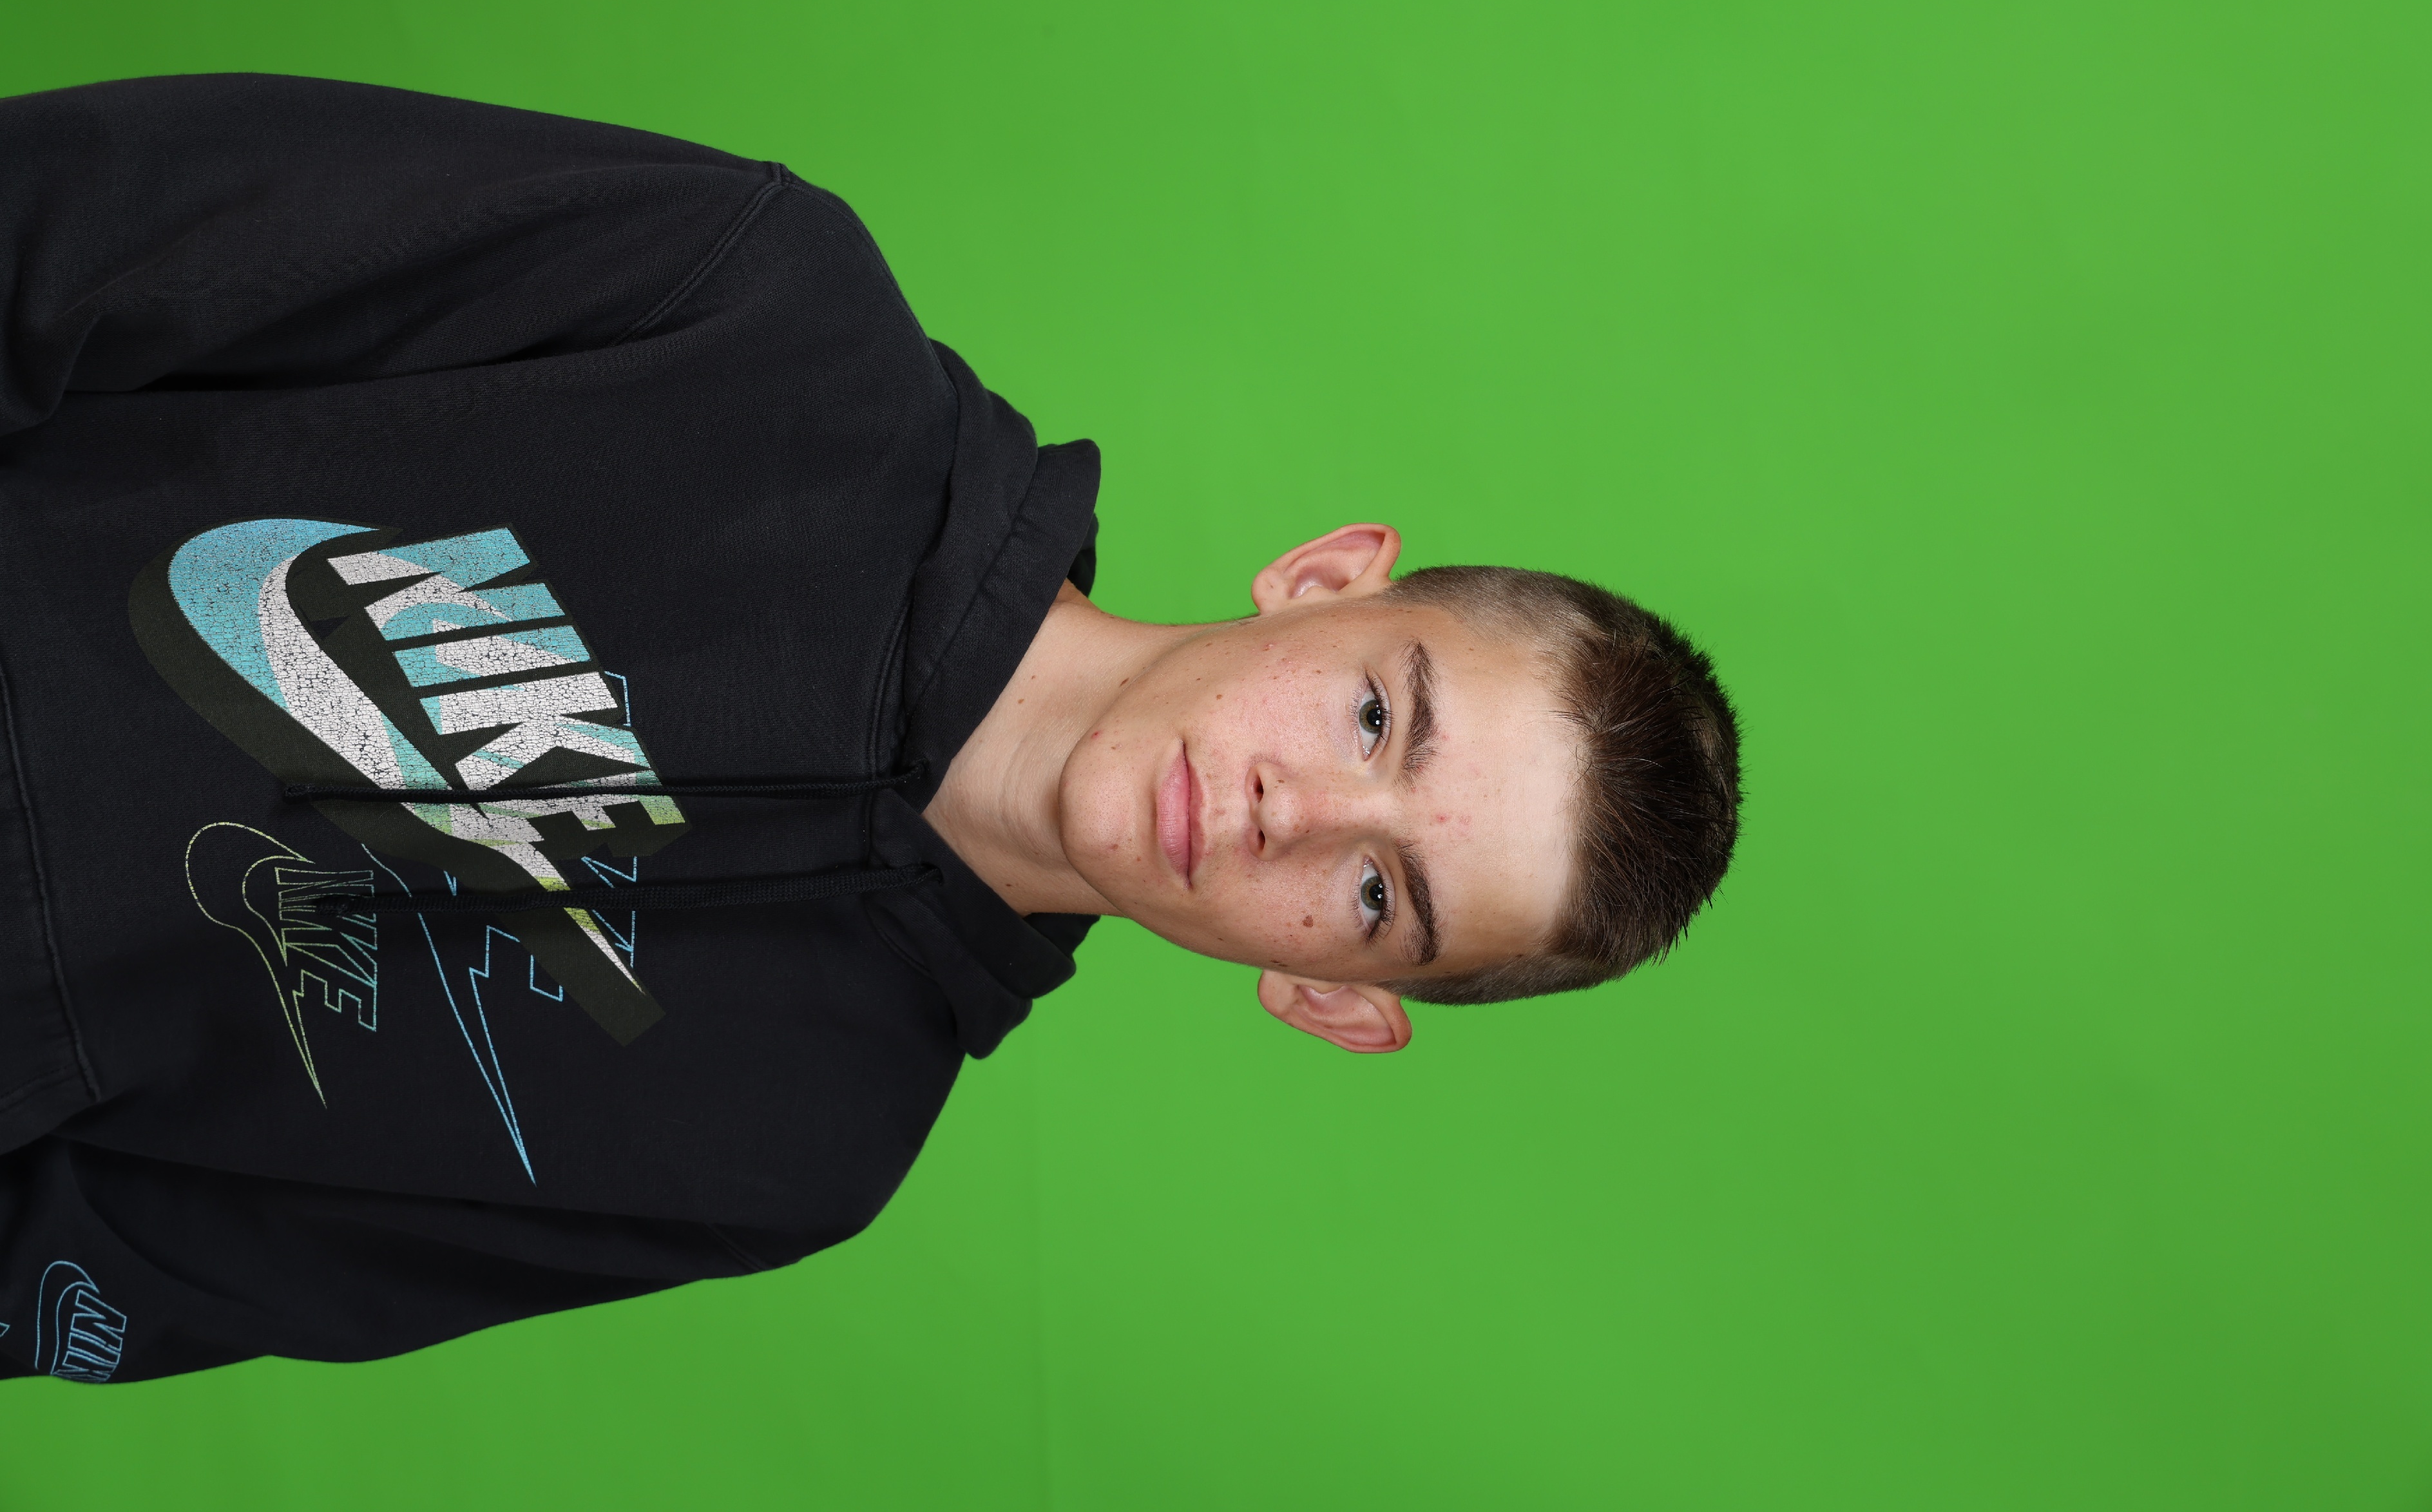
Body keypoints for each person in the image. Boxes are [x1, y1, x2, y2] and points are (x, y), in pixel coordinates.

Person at [0, 74, 1739, 1384]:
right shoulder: (761, 311)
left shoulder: (794, 1152)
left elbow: (137, 1272)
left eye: (1378, 897)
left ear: (1333, 1001)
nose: (1303, 814)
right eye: (1376, 718)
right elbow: (76, 227)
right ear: (1326, 579)